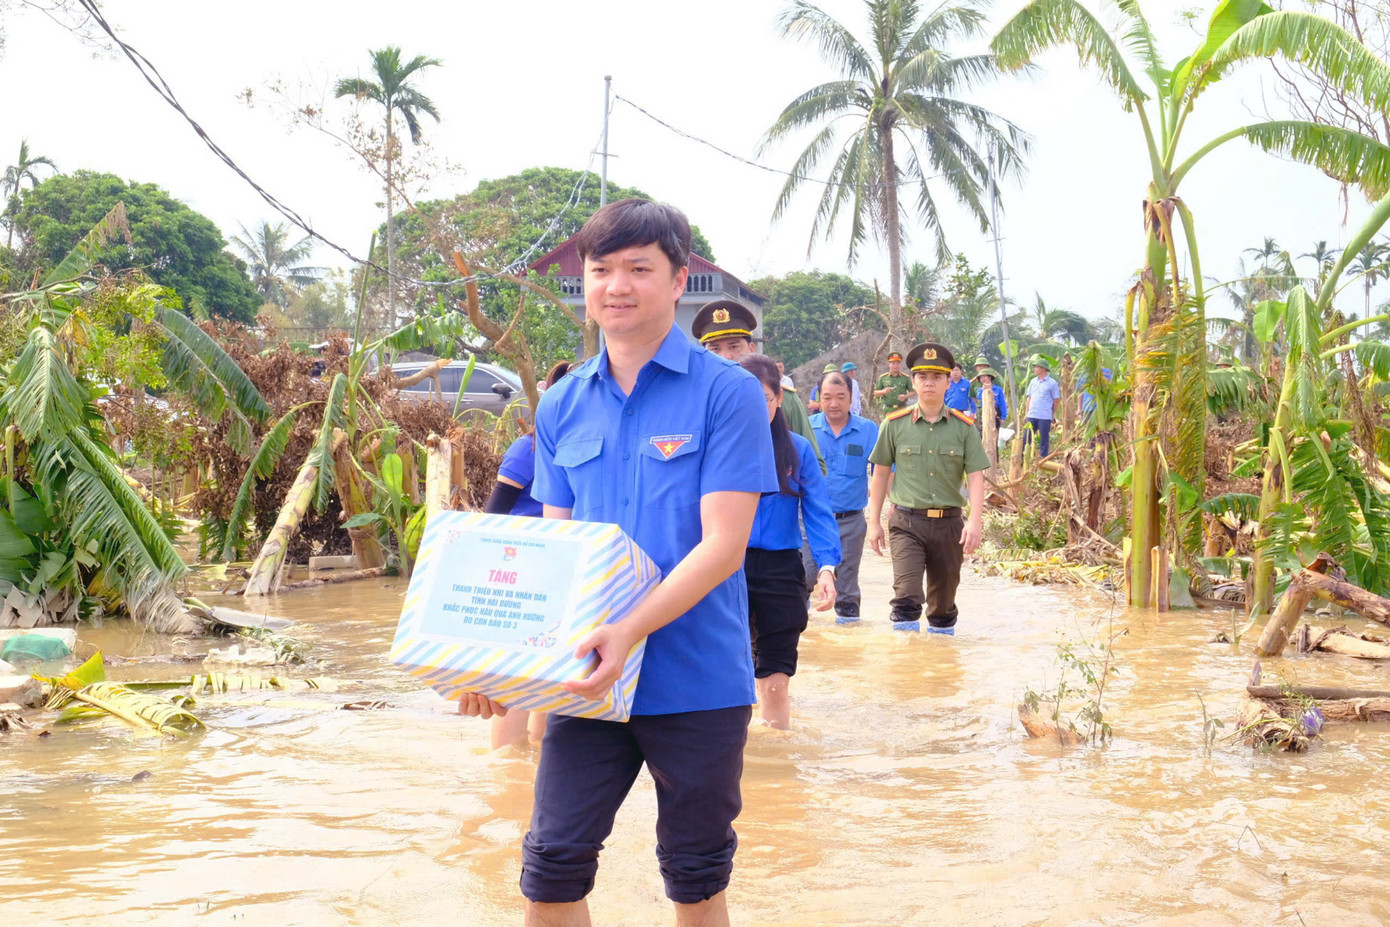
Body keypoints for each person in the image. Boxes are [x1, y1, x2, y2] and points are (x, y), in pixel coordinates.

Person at [456, 198, 777, 926]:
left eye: (639, 267)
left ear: (678, 278)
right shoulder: (562, 404)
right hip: (586, 682)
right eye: (601, 269)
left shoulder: (726, 395)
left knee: (694, 879)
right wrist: (501, 667)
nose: (617, 285)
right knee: (550, 870)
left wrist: (629, 628)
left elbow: (723, 546)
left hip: (696, 679)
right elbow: (554, 558)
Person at [737, 354, 838, 729]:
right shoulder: (717, 446)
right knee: (731, 664)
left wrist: (827, 568)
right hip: (727, 565)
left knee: (776, 669)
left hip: (782, 570)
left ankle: (778, 750)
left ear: (778, 399)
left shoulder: (798, 450)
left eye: (762, 398)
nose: (752, 407)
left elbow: (818, 511)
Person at [866, 342, 989, 635]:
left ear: (949, 381)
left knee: (943, 608)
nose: (929, 383)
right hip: (907, 522)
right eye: (922, 377)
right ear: (913, 382)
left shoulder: (964, 428)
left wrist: (974, 522)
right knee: (906, 598)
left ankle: (939, 674)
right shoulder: (893, 425)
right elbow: (880, 474)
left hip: (949, 525)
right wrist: (874, 523)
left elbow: (975, 477)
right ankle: (907, 674)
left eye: (937, 377)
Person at [482, 360, 572, 749]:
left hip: (565, 571)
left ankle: (533, 763)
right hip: (523, 567)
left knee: (550, 675)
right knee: (516, 678)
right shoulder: (529, 448)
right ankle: (505, 769)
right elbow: (494, 514)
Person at [693, 299, 823, 470]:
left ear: (751, 348)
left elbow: (816, 465)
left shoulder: (783, 399)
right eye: (715, 349)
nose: (725, 357)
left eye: (734, 347)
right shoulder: (694, 403)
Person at [809, 370, 879, 624]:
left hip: (850, 521)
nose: (834, 403)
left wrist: (884, 514)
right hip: (809, 520)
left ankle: (848, 644)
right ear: (819, 398)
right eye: (827, 397)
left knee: (847, 587)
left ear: (851, 398)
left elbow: (883, 471)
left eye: (841, 397)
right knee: (802, 579)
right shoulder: (807, 429)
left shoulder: (868, 430)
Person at [1023, 356, 1062, 458]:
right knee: (1027, 438)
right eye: (1035, 367)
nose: (1035, 369)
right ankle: (1024, 459)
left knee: (1044, 439)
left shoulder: (1052, 383)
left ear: (1044, 369)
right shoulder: (1033, 382)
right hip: (1032, 414)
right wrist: (1026, 413)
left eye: (1037, 367)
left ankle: (1043, 459)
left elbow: (1056, 400)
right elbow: (1029, 398)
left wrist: (1052, 414)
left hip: (1045, 415)